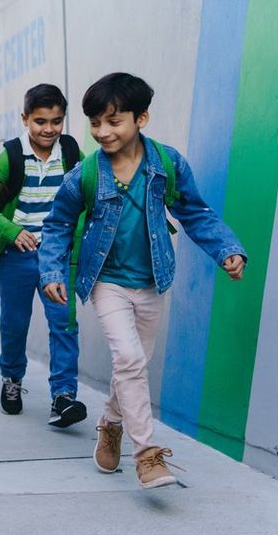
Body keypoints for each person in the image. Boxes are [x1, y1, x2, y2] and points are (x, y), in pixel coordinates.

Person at [39, 72, 246, 489]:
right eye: (96, 123)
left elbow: (196, 213)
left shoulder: (167, 165)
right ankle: (147, 455)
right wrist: (52, 271)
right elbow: (58, 224)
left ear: (142, 118)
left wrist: (227, 249)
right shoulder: (85, 174)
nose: (102, 131)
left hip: (152, 281)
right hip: (106, 281)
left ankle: (111, 422)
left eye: (113, 121)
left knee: (134, 364)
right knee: (130, 360)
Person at [0, 83, 86, 426]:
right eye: (40, 121)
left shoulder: (71, 151)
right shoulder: (11, 156)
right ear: (25, 119)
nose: (48, 129)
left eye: (56, 121)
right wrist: (12, 231)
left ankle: (63, 397)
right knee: (15, 324)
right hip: (17, 257)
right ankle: (12, 379)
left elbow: (84, 197)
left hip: (56, 257)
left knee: (64, 324)